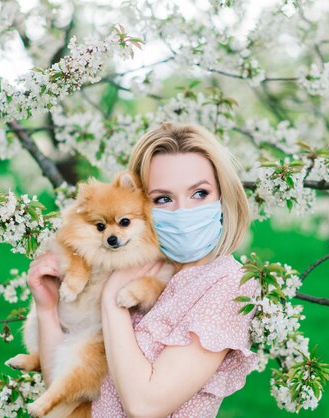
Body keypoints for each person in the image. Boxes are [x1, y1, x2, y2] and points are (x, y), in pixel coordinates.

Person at [26, 121, 259, 417]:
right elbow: (66, 390)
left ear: (223, 196)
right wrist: (47, 310)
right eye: (163, 198)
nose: (183, 211)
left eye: (199, 193)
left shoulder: (228, 285)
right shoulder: (130, 260)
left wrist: (112, 302)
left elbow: (146, 406)